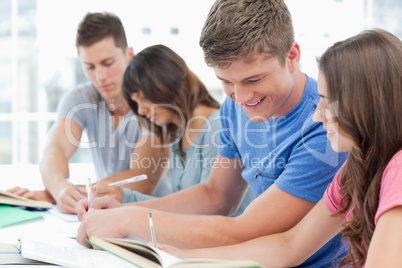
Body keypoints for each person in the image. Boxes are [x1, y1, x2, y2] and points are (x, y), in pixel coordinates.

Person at [75, 1, 348, 266]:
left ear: (291, 57)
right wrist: (124, 210)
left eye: (253, 79)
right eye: (226, 81)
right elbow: (215, 197)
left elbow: (246, 230)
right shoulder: (233, 108)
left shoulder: (326, 127)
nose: (241, 97)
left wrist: (128, 220)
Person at [158, 28, 402, 268]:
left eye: (326, 103)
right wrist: (183, 257)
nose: (317, 116)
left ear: (365, 105)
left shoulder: (398, 170)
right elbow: (289, 245)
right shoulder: (355, 170)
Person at [7, 12, 166, 214]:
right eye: (89, 67)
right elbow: (54, 149)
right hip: (107, 215)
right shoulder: (81, 98)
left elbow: (142, 179)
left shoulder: (153, 102)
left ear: (129, 55)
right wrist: (59, 189)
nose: (100, 77)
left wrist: (50, 194)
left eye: (108, 63)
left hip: (153, 216)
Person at [93, 44, 253, 215]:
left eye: (143, 98)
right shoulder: (176, 135)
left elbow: (209, 208)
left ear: (166, 84)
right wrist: (121, 197)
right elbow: (180, 206)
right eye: (135, 102)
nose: (140, 110)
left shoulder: (217, 125)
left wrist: (127, 207)